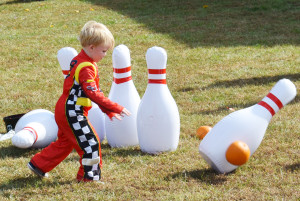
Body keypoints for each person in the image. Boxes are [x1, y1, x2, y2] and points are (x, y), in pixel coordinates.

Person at [28, 21, 130, 182]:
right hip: (72, 112)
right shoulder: (86, 68)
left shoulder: (81, 60)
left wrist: (108, 110)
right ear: (91, 47)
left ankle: (39, 164)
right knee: (91, 143)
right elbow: (93, 93)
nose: (105, 55)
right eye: (103, 51)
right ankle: (88, 177)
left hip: (65, 109)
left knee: (66, 142)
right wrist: (115, 107)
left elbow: (94, 91)